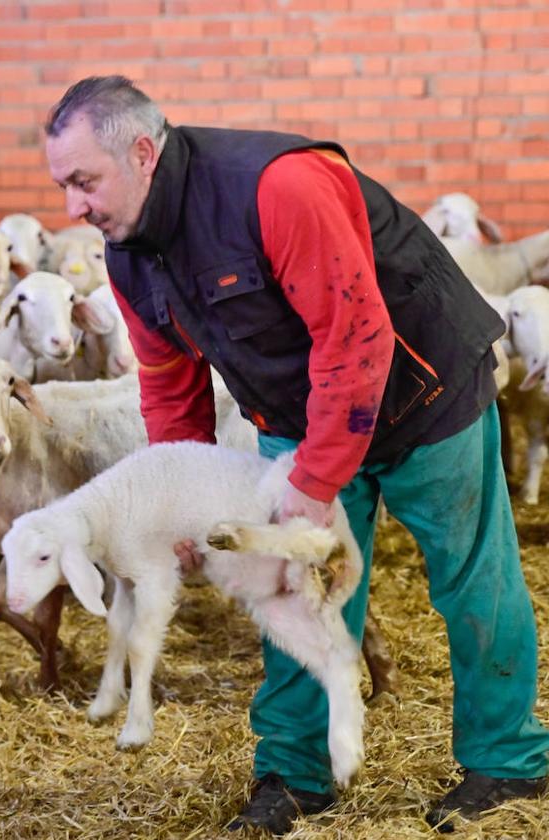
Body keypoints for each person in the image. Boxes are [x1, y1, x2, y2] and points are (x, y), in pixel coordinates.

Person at [42, 74, 549, 835]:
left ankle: (508, 761)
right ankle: (295, 773)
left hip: (425, 392)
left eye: (83, 182)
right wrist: (185, 502)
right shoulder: (128, 255)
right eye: (62, 187)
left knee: (474, 582)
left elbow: (358, 341)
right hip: (299, 408)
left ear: (142, 152)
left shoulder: (277, 187)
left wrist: (312, 486)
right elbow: (169, 386)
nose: (72, 207)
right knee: (288, 583)